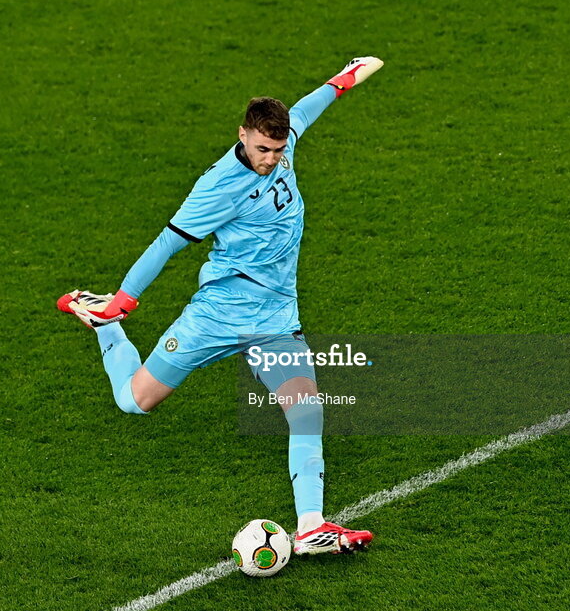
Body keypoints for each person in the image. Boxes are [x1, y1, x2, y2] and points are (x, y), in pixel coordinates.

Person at [58, 57, 383, 555]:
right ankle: (102, 319)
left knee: (307, 412)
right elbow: (166, 243)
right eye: (261, 149)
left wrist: (341, 81)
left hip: (275, 318)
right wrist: (123, 300)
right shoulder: (216, 188)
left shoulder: (284, 139)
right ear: (243, 135)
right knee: (135, 401)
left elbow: (304, 110)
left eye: (277, 149)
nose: (271, 158)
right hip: (217, 315)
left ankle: (312, 525)